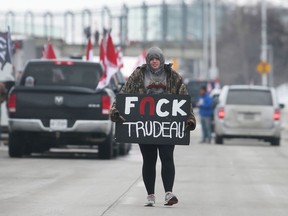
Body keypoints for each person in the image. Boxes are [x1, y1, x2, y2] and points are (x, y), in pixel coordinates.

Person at [110, 47, 196, 207]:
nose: (154, 61)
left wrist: (190, 117)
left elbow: (184, 98)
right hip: (145, 126)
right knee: (149, 160)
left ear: (162, 60)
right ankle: (150, 195)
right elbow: (123, 94)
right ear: (148, 61)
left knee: (167, 157)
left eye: (157, 58)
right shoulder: (138, 75)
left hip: (167, 127)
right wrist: (115, 110)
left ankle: (169, 193)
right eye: (151, 59)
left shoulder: (173, 76)